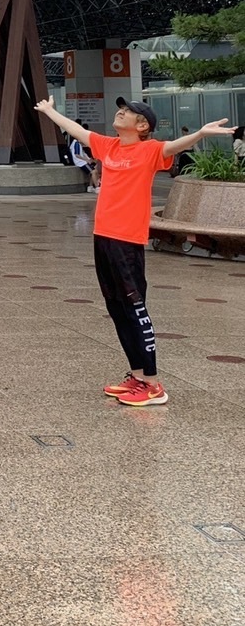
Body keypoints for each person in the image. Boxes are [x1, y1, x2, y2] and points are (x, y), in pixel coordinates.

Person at [36, 95, 231, 407]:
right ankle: (137, 376)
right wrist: (49, 112)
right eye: (121, 109)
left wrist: (200, 134)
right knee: (115, 307)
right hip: (103, 236)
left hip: (127, 240)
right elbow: (77, 131)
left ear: (142, 125)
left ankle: (153, 384)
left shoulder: (149, 150)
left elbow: (172, 147)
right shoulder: (108, 147)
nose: (120, 112)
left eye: (127, 112)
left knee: (135, 308)